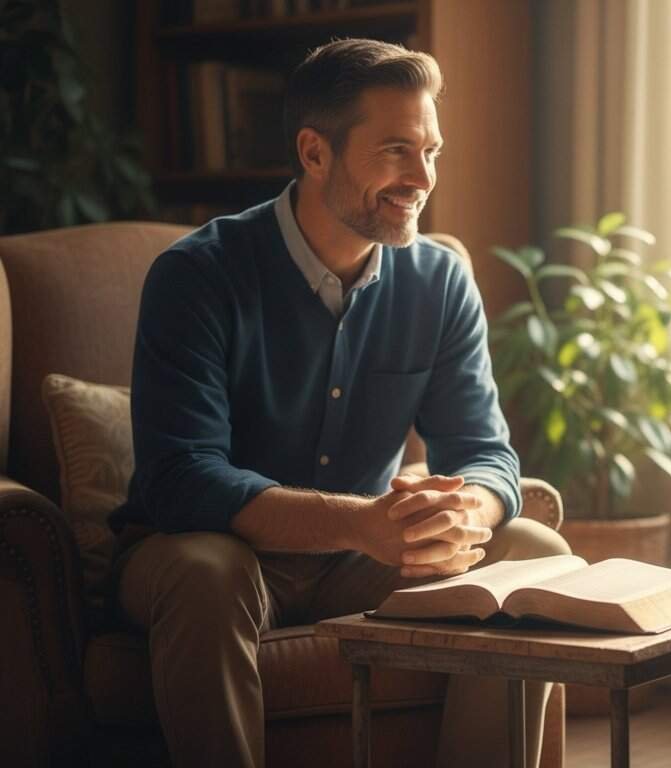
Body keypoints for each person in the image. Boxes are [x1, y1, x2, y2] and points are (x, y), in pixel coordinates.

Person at [108, 38, 568, 768]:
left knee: (534, 553)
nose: (422, 177)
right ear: (315, 152)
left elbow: (485, 453)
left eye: (432, 152)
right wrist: (362, 523)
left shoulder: (440, 280)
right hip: (210, 551)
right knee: (208, 572)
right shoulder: (197, 275)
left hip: (362, 556)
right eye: (396, 150)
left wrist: (459, 511)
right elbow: (182, 479)